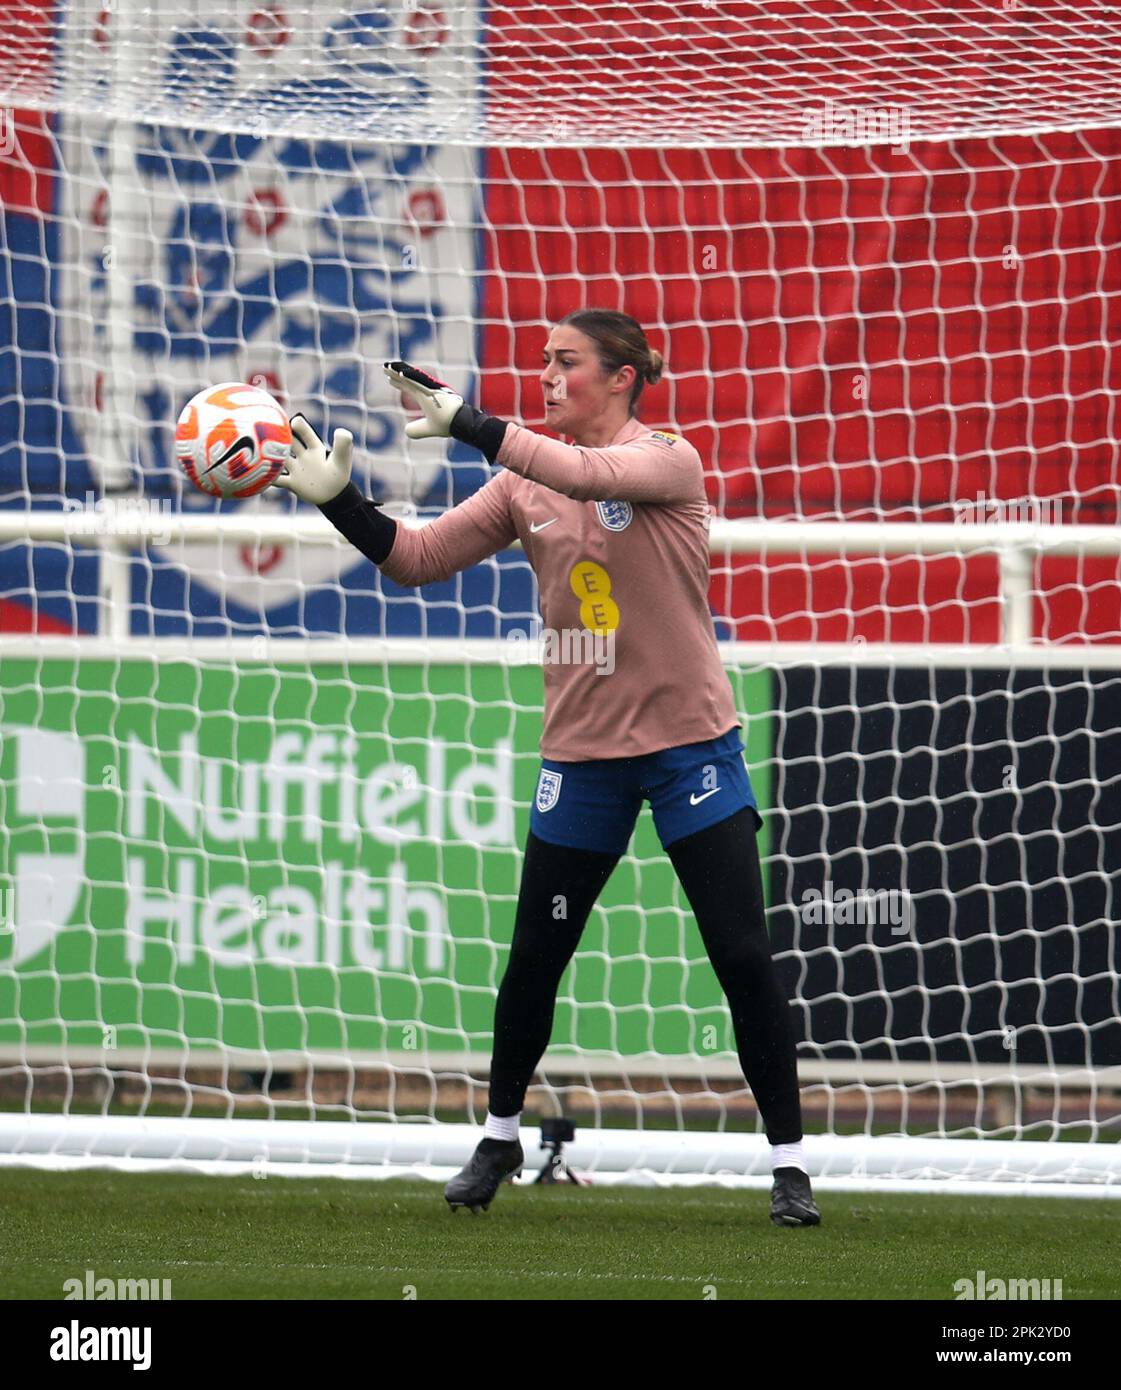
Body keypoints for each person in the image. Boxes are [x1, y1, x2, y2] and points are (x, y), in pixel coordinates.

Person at [274, 308, 820, 1227]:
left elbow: (581, 473)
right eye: (542, 361)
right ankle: (498, 1137)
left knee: (739, 956)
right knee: (535, 959)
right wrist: (341, 501)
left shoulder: (666, 460)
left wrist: (470, 424)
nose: (548, 376)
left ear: (623, 377)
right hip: (583, 758)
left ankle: (789, 1164)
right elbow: (417, 559)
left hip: (689, 748)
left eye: (567, 362)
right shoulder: (522, 482)